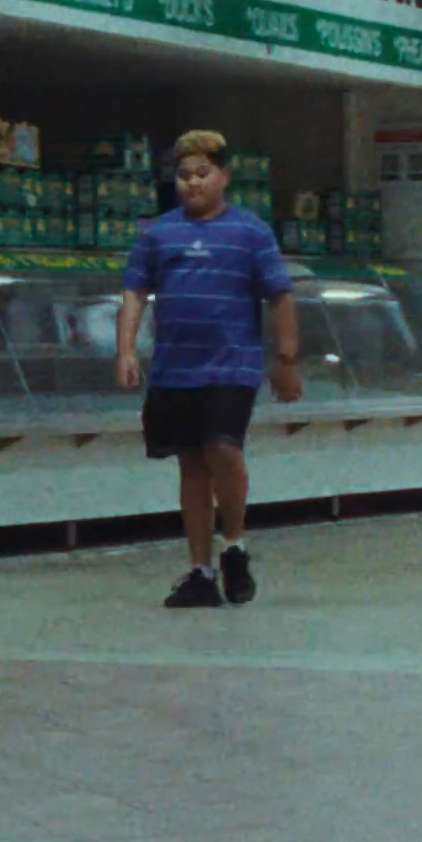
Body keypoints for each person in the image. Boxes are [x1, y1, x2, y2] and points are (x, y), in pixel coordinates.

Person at [114, 130, 303, 608]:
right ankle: (200, 571)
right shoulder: (157, 233)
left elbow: (280, 296)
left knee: (224, 450)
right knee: (192, 467)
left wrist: (286, 359)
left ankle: (234, 545)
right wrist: (126, 349)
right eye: (184, 175)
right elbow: (135, 292)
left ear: (225, 176)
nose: (193, 183)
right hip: (175, 370)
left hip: (232, 367)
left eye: (203, 174)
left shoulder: (251, 232)